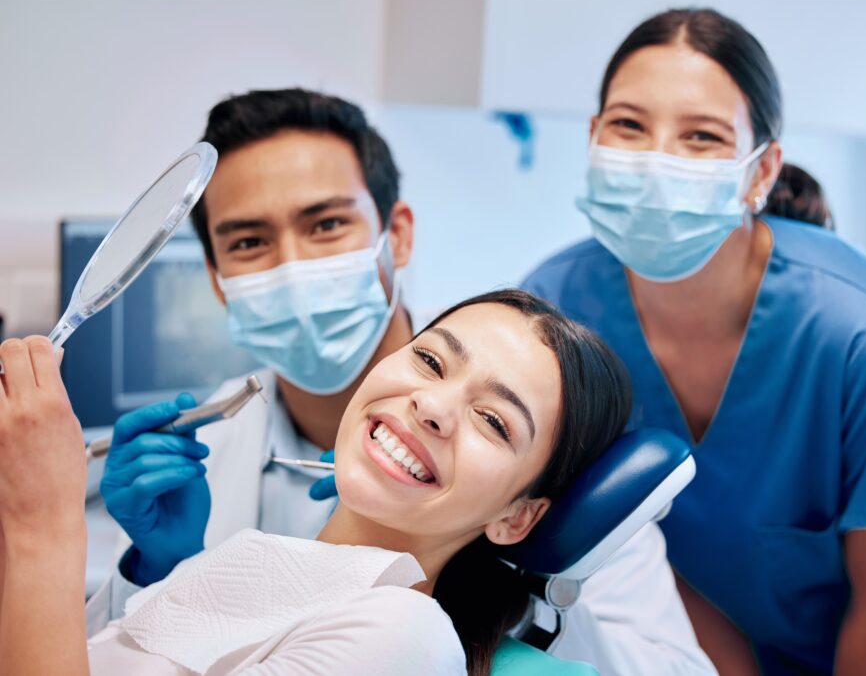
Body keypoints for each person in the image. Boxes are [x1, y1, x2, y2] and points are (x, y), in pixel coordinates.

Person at [87, 89, 714, 675]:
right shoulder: (206, 448)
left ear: (399, 233)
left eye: (327, 224)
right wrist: (157, 570)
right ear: (218, 276)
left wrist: (511, 590)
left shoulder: (551, 471)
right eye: (250, 240)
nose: (294, 265)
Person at [523, 7, 866, 675]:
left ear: (761, 173)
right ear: (592, 137)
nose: (655, 162)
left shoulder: (864, 324)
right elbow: (643, 556)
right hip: (779, 631)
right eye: (628, 125)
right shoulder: (559, 314)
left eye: (700, 136)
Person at [0, 289, 633, 675]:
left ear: (516, 518)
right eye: (430, 359)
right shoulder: (264, 562)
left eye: (493, 421)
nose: (434, 406)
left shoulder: (403, 637)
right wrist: (165, 569)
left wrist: (41, 527)